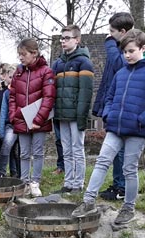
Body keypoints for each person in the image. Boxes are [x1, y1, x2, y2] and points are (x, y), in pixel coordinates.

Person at [71, 29, 145, 224]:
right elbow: (110, 96)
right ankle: (88, 201)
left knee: (129, 169)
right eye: (124, 52)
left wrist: (142, 119)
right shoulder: (121, 72)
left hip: (137, 131)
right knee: (101, 161)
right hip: (115, 127)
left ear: (143, 48)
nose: (127, 55)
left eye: (131, 51)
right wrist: (108, 114)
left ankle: (128, 208)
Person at [93, 12, 135, 201]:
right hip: (113, 104)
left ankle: (122, 187)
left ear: (123, 32)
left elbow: (119, 64)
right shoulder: (120, 47)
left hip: (125, 107)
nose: (109, 35)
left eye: (112, 32)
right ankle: (118, 184)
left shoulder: (127, 50)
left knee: (122, 151)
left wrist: (110, 43)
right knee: (117, 151)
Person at [9, 38, 56, 197]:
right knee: (23, 153)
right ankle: (24, 182)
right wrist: (13, 115)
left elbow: (48, 97)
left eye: (23, 54)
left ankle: (35, 182)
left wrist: (38, 120)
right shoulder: (18, 72)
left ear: (34, 53)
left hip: (39, 121)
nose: (21, 58)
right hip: (21, 119)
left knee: (37, 152)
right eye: (19, 55)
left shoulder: (46, 71)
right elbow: (13, 96)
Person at [50, 24, 94, 194]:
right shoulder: (58, 63)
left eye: (67, 38)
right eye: (62, 38)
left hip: (76, 115)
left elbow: (86, 92)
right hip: (61, 115)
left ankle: (78, 184)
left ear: (77, 40)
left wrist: (82, 116)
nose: (63, 41)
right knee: (65, 149)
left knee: (77, 149)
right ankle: (68, 183)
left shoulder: (84, 62)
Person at [0, 63, 20, 178]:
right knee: (6, 146)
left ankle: (18, 173)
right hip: (10, 125)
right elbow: (3, 112)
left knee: (20, 152)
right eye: (11, 77)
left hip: (22, 124)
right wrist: (1, 131)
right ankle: (2, 171)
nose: (13, 80)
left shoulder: (22, 91)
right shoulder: (6, 93)